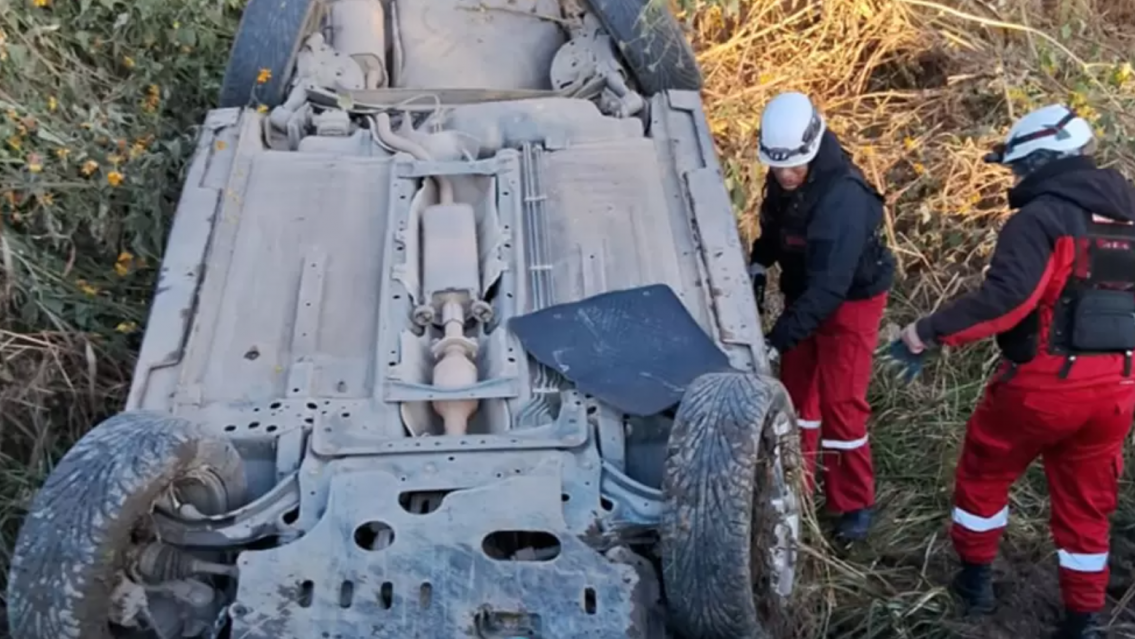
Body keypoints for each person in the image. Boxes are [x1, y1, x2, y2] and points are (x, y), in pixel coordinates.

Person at [898, 103, 1135, 639]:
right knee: (1087, 505)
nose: (1016, 178)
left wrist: (928, 331)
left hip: (1044, 385)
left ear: (1041, 163)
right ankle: (1084, 619)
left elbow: (1007, 300)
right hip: (1119, 389)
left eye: (1018, 169)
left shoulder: (1041, 219)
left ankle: (975, 584)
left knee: (985, 471)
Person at [749, 91, 895, 542]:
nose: (786, 176)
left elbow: (831, 288)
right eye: (777, 167)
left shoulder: (844, 199)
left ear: (812, 149)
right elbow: (775, 228)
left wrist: (778, 337)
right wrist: (757, 262)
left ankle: (853, 505)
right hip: (805, 293)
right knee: (795, 398)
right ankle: (796, 485)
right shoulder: (785, 178)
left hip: (851, 301)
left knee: (842, 405)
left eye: (793, 167)